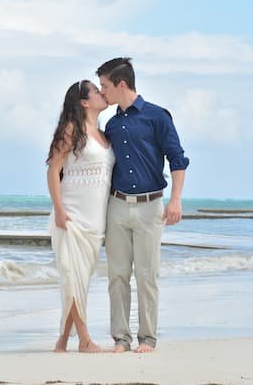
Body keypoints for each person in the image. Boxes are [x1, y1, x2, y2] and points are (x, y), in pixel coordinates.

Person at [96, 57, 189, 353]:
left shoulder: (157, 117)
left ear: (121, 84)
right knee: (117, 276)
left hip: (151, 207)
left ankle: (147, 338)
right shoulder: (110, 125)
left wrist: (175, 199)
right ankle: (120, 339)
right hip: (117, 206)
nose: (103, 92)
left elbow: (177, 159)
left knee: (148, 276)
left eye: (105, 86)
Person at [46, 80, 115, 353]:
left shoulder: (103, 133)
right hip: (71, 216)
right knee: (72, 277)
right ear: (84, 102)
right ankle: (84, 340)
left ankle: (62, 341)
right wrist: (60, 210)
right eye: (96, 91)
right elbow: (53, 170)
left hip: (95, 220)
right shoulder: (71, 129)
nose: (102, 93)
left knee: (81, 281)